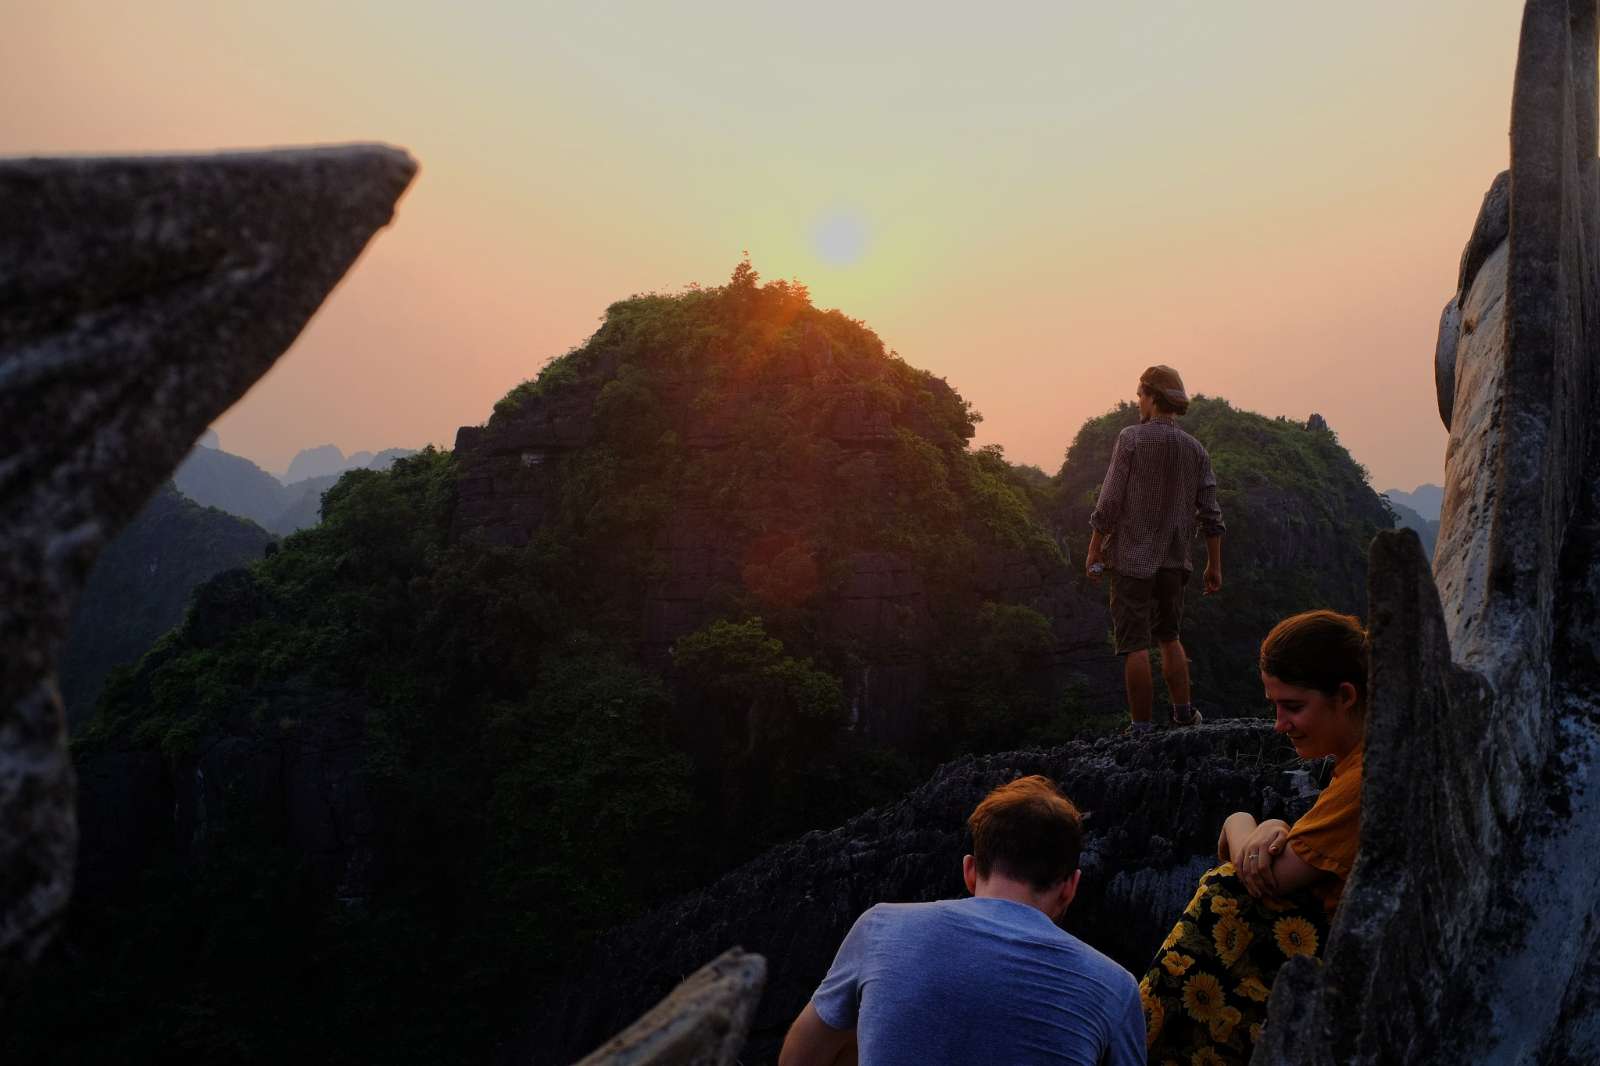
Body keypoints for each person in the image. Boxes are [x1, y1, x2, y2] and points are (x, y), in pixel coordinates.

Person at [778, 776, 1145, 1066]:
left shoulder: (880, 926)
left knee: (855, 1019)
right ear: (1070, 887)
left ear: (970, 871)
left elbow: (797, 1059)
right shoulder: (1116, 987)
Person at [1139, 610, 1368, 1064]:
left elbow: (1265, 876)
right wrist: (1270, 827)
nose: (1279, 723)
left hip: (1352, 973)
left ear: (1345, 696)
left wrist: (1239, 819)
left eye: (1294, 706)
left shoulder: (1367, 778)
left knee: (1223, 890)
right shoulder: (1361, 762)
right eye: (1274, 705)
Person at [1085, 365, 1225, 734]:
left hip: (1131, 557)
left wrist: (1095, 547)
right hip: (1175, 559)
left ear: (1151, 396)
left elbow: (1110, 499)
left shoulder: (1131, 439)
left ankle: (1141, 727)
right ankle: (1183, 715)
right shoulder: (1196, 449)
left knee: (1133, 644)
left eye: (1139, 396)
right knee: (1169, 636)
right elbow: (1211, 513)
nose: (1137, 403)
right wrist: (1214, 565)